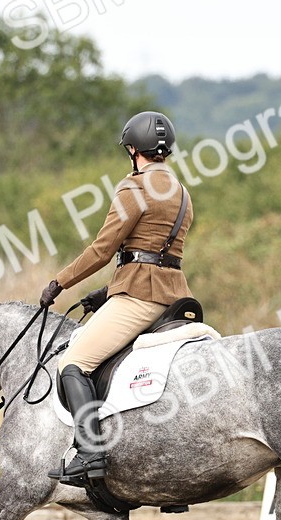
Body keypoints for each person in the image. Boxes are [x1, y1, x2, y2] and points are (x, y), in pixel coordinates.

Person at [38, 110, 194, 485]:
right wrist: (107, 292)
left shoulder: (135, 187)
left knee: (73, 363)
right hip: (174, 295)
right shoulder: (182, 192)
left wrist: (59, 283)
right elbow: (159, 252)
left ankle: (90, 453)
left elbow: (102, 250)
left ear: (132, 149)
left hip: (140, 298)